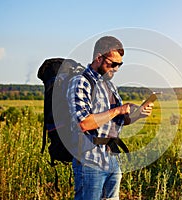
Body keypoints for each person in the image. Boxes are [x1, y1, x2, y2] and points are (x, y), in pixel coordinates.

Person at [66, 36, 154, 200]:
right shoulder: (80, 82)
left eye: (120, 64)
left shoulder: (110, 85)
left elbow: (120, 121)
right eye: (113, 64)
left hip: (112, 159)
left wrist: (137, 114)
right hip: (89, 161)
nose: (116, 69)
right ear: (98, 58)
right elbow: (84, 123)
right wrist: (118, 110)